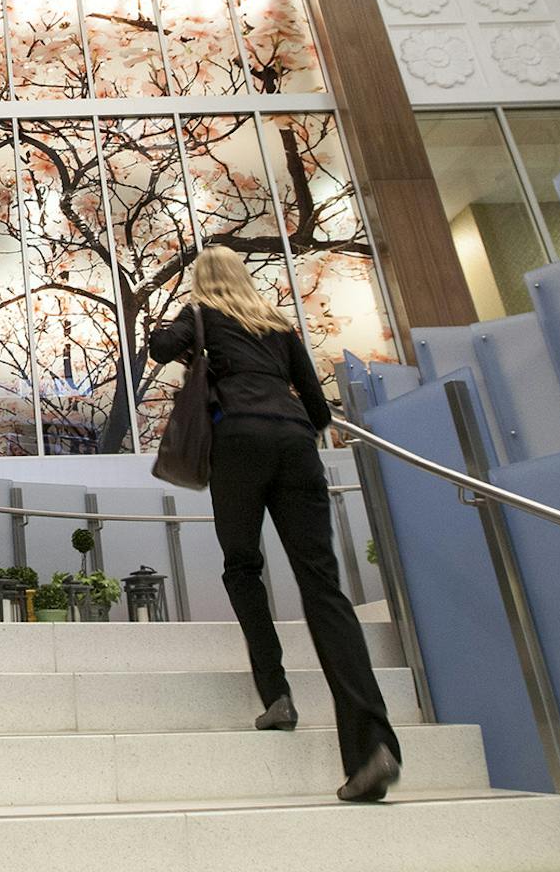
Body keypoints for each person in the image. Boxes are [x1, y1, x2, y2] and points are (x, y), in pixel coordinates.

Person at [146, 244, 402, 802]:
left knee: (242, 566)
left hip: (238, 442)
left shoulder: (201, 315)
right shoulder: (278, 325)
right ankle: (372, 748)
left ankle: (277, 695)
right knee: (323, 588)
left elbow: (158, 347)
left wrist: (184, 326)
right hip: (294, 442)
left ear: (202, 281)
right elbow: (317, 407)